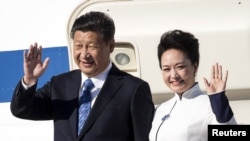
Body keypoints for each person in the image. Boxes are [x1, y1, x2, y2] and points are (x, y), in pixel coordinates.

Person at [10, 11, 155, 141]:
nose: (84, 54)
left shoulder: (133, 89)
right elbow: (21, 110)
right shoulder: (60, 84)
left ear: (110, 46)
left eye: (92, 46)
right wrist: (29, 80)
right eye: (78, 46)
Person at [149, 30, 237, 141]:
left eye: (180, 67)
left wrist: (219, 101)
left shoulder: (210, 105)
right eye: (166, 69)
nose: (173, 75)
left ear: (194, 67)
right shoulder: (160, 109)